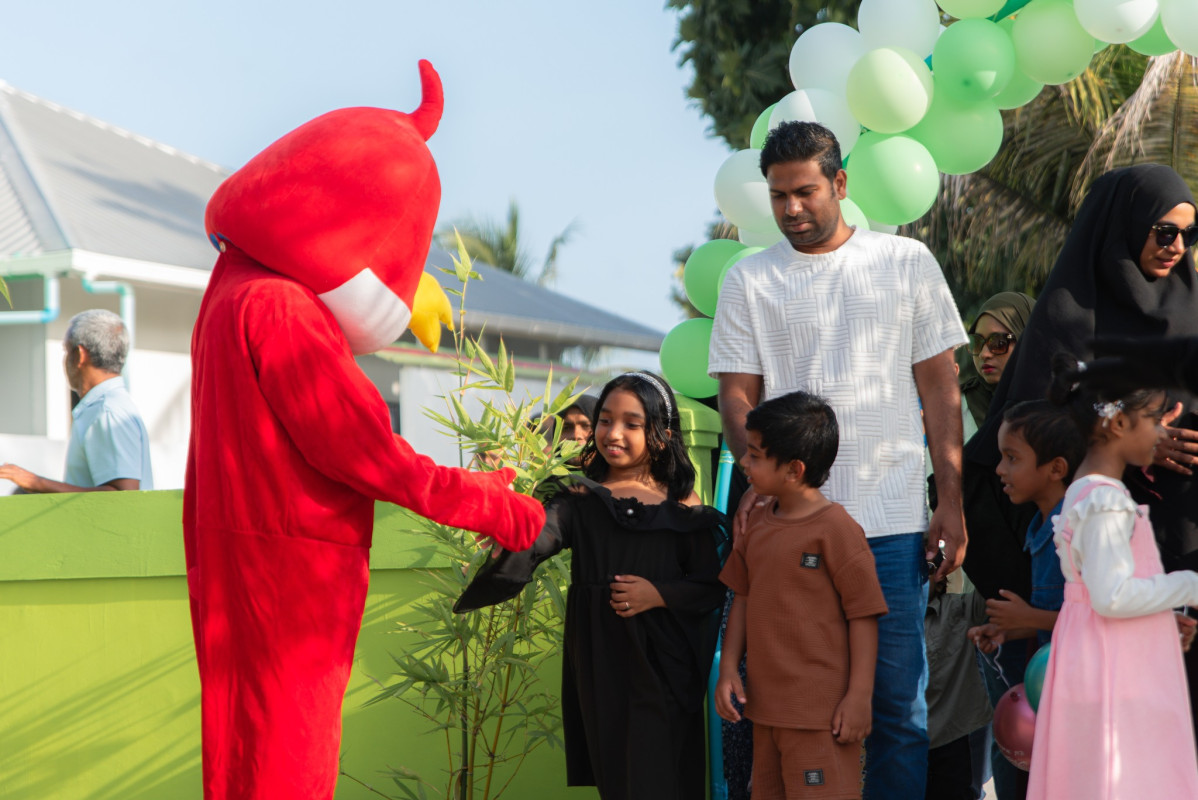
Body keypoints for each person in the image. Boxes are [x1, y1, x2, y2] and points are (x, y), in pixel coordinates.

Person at [188, 62, 545, 800]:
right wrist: (489, 502)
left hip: (239, 556)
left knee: (243, 749)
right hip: (291, 574)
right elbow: (365, 452)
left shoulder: (232, 290)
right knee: (289, 760)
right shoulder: (284, 309)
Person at [709, 120, 968, 798]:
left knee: (897, 713)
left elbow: (941, 390)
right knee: (794, 709)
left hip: (890, 524)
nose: (791, 208)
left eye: (805, 192)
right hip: (788, 529)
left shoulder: (906, 262)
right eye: (778, 195)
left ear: (841, 183)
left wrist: (950, 501)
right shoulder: (748, 278)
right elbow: (736, 398)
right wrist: (760, 478)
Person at [963, 164, 1198, 741]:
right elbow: (1031, 425)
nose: (1177, 246)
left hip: (1182, 533)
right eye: (1164, 231)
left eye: (1189, 234)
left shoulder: (1191, 311)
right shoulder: (1069, 314)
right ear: (1123, 227)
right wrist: (1133, 440)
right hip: (1093, 541)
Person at [455, 371, 727, 800]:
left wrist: (658, 594)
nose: (613, 433)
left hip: (665, 663)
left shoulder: (682, 506)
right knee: (620, 776)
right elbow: (539, 536)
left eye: (631, 424)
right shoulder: (580, 498)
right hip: (604, 662)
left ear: (662, 436)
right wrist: (506, 528)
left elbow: (710, 587)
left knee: (661, 774)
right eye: (605, 419)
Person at [1025, 356, 1198, 798]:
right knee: (1122, 777)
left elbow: (1098, 588)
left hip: (1101, 651)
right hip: (1113, 668)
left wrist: (1159, 619)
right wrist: (1189, 585)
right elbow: (1111, 596)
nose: (1161, 432)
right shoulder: (1105, 501)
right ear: (1119, 423)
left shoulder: (1084, 491)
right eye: (1154, 419)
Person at [714, 391, 887, 799]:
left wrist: (859, 696)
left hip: (820, 719)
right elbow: (742, 598)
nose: (744, 462)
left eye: (755, 455)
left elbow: (864, 615)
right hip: (764, 713)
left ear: (794, 469)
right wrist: (728, 669)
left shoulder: (837, 530)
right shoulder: (756, 524)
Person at [968, 401, 1083, 655]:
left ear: (1056, 468)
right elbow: (1061, 621)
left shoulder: (1079, 528)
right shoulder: (1039, 528)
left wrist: (1030, 617)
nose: (999, 469)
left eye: (1012, 458)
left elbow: (1099, 620)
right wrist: (1011, 631)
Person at [0, 309, 152, 493]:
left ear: (80, 355)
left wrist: (36, 483)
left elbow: (124, 495)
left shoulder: (106, 411)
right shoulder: (107, 406)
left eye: (66, 350)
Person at [924, 575, 991, 800]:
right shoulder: (876, 621)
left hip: (954, 740)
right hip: (899, 747)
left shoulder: (959, 610)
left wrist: (963, 554)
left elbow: (992, 584)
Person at [960, 293, 1035, 431]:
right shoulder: (957, 407)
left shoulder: (1061, 406)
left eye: (999, 343)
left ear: (1026, 343)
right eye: (977, 342)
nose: (984, 354)